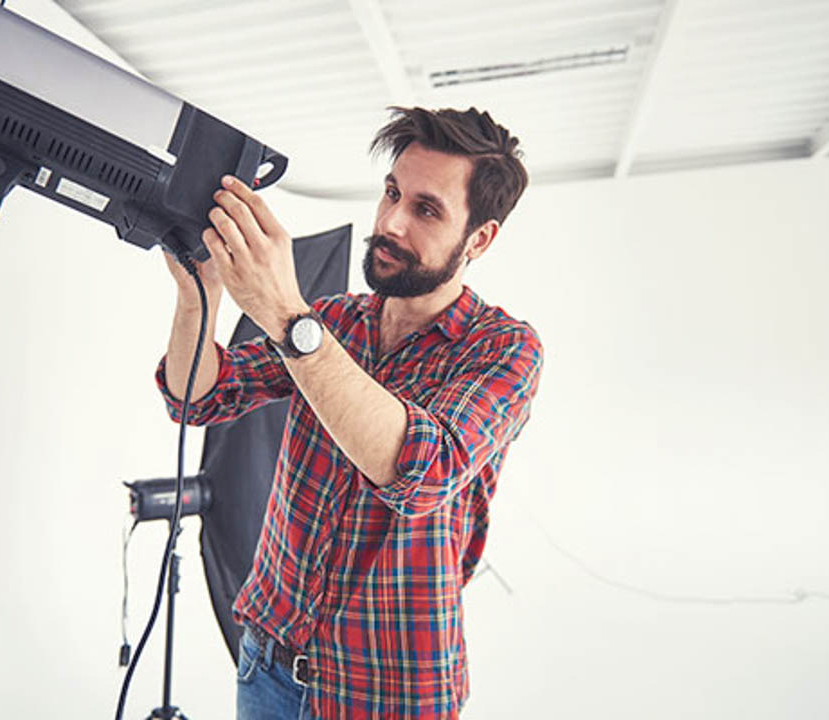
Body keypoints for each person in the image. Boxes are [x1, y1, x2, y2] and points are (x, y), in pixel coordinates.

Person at [156, 107, 543, 719]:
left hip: (388, 695)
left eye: (426, 209)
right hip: (267, 662)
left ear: (480, 239)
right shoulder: (334, 321)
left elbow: (419, 469)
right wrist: (197, 300)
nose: (390, 222)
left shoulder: (504, 349)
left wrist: (286, 313)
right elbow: (200, 395)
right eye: (392, 192)